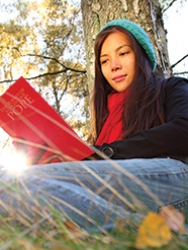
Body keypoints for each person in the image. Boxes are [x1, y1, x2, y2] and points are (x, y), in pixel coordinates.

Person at [1, 18, 188, 231]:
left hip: (175, 176)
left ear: (142, 56)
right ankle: (153, 232)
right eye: (104, 61)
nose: (114, 65)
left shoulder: (170, 87)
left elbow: (183, 130)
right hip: (126, 192)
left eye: (123, 53)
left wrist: (105, 152)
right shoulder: (105, 118)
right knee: (16, 185)